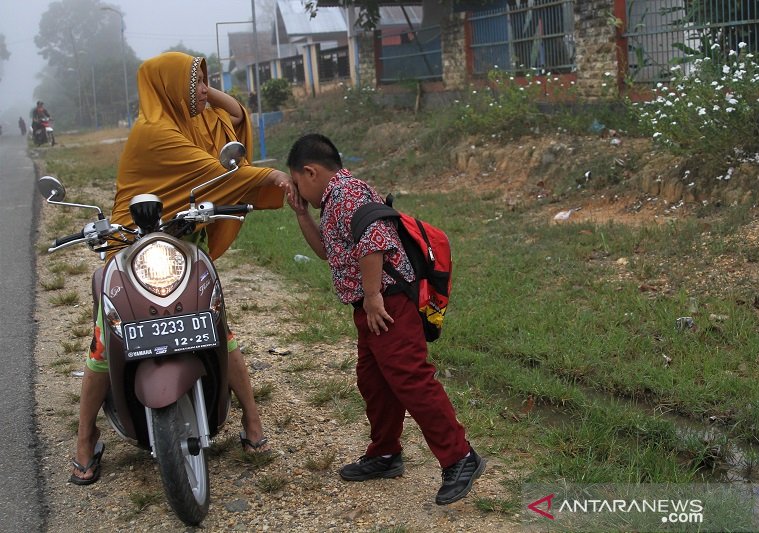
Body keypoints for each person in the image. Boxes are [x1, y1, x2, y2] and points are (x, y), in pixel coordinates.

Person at [69, 52, 297, 485]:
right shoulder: (154, 134)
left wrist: (208, 92)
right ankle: (85, 437)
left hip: (182, 244)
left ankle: (251, 419)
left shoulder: (187, 124)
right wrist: (271, 179)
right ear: (169, 89)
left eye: (201, 83)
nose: (200, 92)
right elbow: (219, 174)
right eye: (192, 83)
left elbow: (233, 121)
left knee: (216, 327)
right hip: (131, 249)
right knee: (104, 342)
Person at [285, 133, 485, 506]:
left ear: (310, 172)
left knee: (411, 378)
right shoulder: (330, 201)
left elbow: (374, 239)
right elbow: (327, 252)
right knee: (375, 381)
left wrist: (374, 296)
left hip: (388, 303)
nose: (298, 191)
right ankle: (385, 453)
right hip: (370, 306)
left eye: (297, 183)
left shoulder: (348, 194)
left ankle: (460, 457)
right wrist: (301, 214)